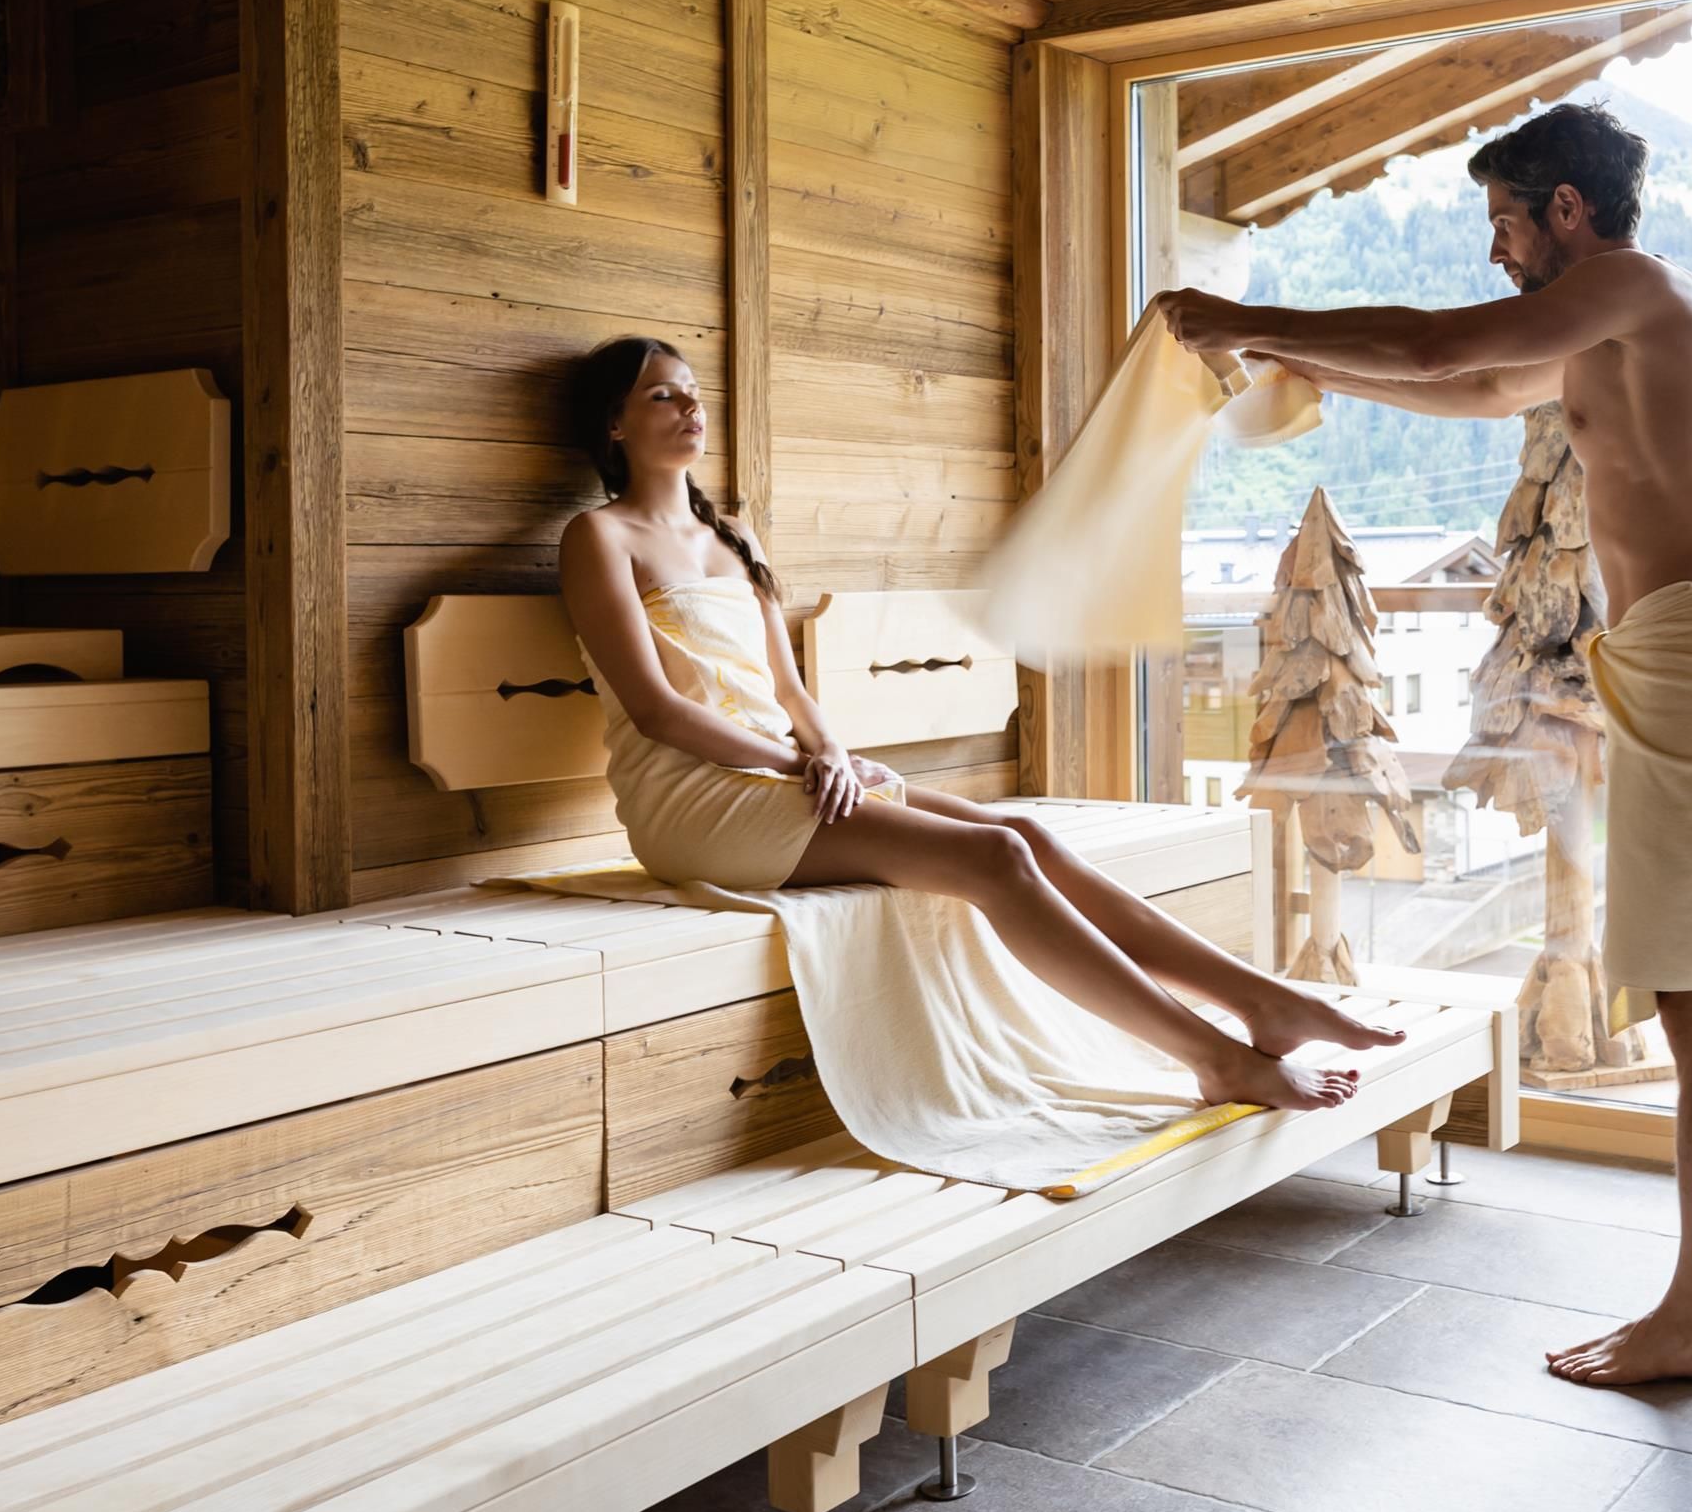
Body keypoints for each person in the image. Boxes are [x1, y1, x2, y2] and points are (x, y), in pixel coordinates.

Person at [1155, 103, 1692, 1384]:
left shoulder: (1638, 290)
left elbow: (1440, 342)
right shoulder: (1607, 328)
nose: (1496, 250)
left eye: (1505, 222)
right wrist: (1302, 362)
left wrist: (1242, 318)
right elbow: (1471, 384)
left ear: (1568, 208)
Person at [555, 334, 1391, 1118]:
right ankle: (1215, 1058)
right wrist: (793, 765)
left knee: (1027, 835)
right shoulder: (597, 537)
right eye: (662, 396)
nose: (690, 408)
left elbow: (790, 690)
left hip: (782, 776)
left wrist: (834, 753)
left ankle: (1260, 1001)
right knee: (995, 859)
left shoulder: (732, 535)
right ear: (614, 424)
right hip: (696, 805)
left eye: (693, 392)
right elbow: (658, 710)